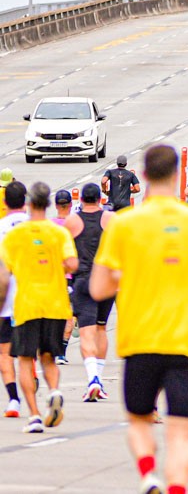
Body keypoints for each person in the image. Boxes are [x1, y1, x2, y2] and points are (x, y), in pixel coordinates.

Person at [90, 145, 188, 494]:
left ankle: (147, 475)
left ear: (142, 176)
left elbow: (99, 288)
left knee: (140, 420)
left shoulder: (125, 224)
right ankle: (176, 488)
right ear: (178, 176)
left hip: (140, 338)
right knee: (179, 430)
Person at [0, 182, 78, 434]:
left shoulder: (15, 236)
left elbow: (4, 275)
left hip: (25, 305)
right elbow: (73, 263)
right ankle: (54, 391)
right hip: (55, 304)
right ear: (48, 204)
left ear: (30, 203)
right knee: (48, 357)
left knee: (24, 360)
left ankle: (34, 414)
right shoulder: (59, 233)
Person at [64, 183, 115, 402]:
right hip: (106, 280)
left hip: (83, 280)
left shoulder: (72, 221)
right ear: (101, 199)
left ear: (82, 200)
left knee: (86, 331)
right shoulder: (111, 220)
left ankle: (93, 378)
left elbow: (66, 253)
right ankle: (99, 379)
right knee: (102, 328)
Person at [0, 181, 28, 419]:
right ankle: (38, 395)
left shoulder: (0, 228)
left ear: (5, 202)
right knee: (32, 355)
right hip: (33, 301)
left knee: (5, 354)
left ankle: (14, 400)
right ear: (25, 201)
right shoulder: (38, 226)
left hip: (6, 302)